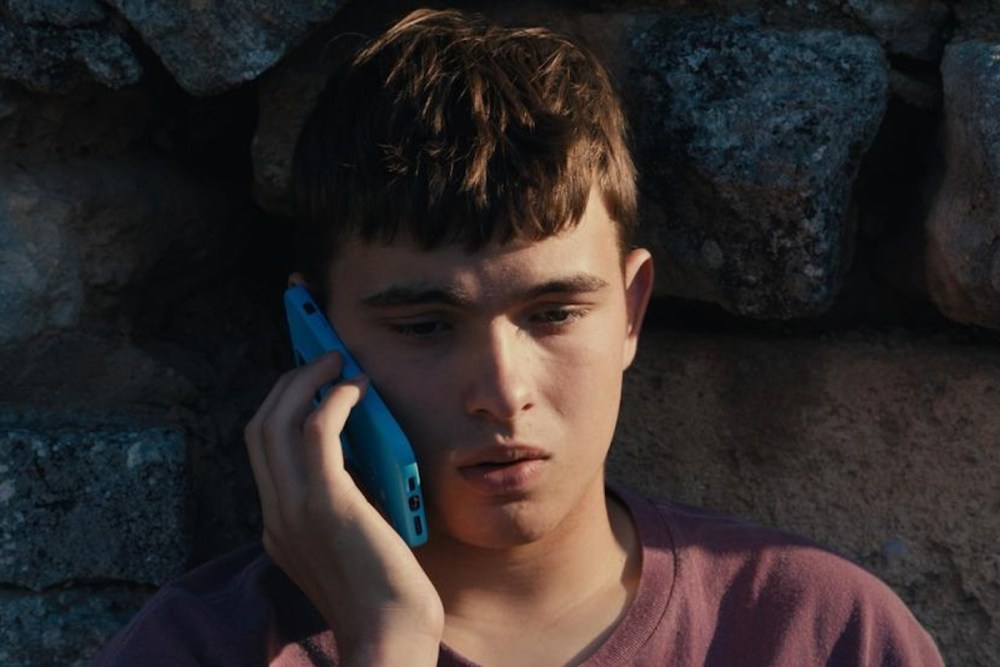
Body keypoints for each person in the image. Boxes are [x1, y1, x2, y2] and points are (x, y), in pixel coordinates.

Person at [95, 8, 944, 666]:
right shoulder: (199, 647)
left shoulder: (822, 633)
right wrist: (386, 642)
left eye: (554, 314)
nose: (503, 392)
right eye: (426, 325)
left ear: (632, 312)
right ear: (314, 336)